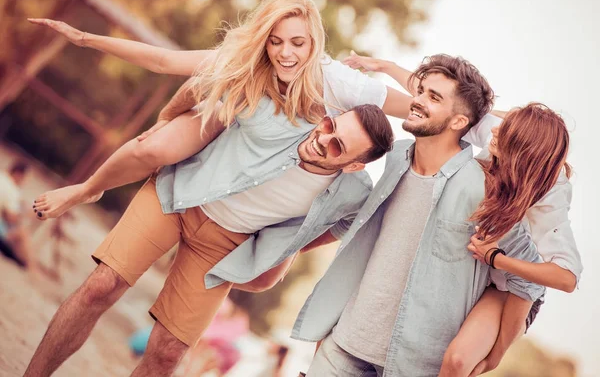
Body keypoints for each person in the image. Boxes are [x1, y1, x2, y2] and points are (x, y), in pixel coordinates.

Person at [24, 104, 396, 377]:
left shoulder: (353, 193)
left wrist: (293, 247)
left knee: (169, 352)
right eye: (330, 125)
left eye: (337, 146)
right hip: (180, 197)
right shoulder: (284, 115)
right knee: (102, 285)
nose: (322, 139)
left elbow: (347, 224)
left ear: (353, 165)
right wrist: (168, 118)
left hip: (223, 248)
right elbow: (213, 83)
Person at [28, 0, 416, 220]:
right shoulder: (246, 60)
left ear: (314, 42)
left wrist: (387, 66)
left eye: (297, 43)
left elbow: (416, 108)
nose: (285, 54)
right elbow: (163, 61)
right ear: (264, 39)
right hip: (231, 118)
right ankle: (84, 190)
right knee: (155, 146)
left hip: (271, 153)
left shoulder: (340, 81)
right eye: (275, 41)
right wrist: (84, 38)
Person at [291, 54, 545, 377]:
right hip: (342, 349)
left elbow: (531, 279)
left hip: (412, 366)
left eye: (433, 97)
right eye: (421, 90)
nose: (418, 101)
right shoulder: (395, 160)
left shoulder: (485, 191)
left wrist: (495, 354)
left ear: (458, 122)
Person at [343, 52, 583, 376]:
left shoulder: (551, 192)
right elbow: (441, 100)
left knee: (461, 362)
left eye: (505, 134)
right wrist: (384, 67)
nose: (494, 133)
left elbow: (565, 279)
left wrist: (498, 259)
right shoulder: (498, 133)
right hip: (479, 266)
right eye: (500, 126)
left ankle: (494, 356)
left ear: (523, 152)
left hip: (515, 286)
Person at [0, 161, 34, 269]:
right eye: (25, 179)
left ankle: (22, 261)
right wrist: (27, 214)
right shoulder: (11, 189)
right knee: (23, 233)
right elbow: (11, 218)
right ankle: (28, 265)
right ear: (19, 174)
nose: (24, 182)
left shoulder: (3, 177)